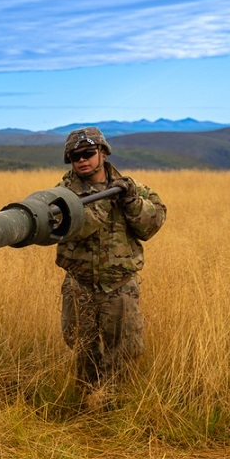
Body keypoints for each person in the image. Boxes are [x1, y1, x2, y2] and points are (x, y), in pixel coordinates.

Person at [55, 127, 166, 409]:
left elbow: (151, 226)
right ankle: (85, 404)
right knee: (82, 348)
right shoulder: (62, 195)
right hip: (80, 284)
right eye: (74, 156)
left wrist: (130, 201)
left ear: (103, 153)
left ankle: (116, 406)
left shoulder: (133, 189)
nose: (81, 160)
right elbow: (76, 228)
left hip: (119, 286)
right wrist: (106, 199)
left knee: (125, 350)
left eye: (88, 153)